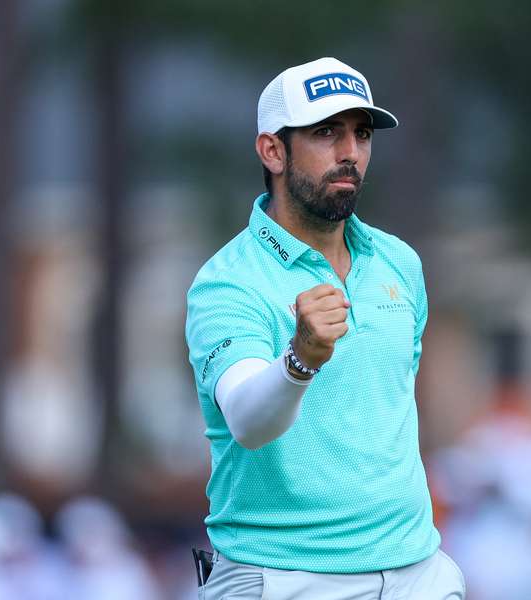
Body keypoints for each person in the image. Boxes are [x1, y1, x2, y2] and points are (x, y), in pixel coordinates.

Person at [185, 57, 465, 599]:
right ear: (272, 150)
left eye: (361, 135)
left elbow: (388, 410)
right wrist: (301, 358)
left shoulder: (398, 262)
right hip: (287, 576)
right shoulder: (227, 283)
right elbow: (247, 420)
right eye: (325, 133)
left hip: (416, 571)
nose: (350, 153)